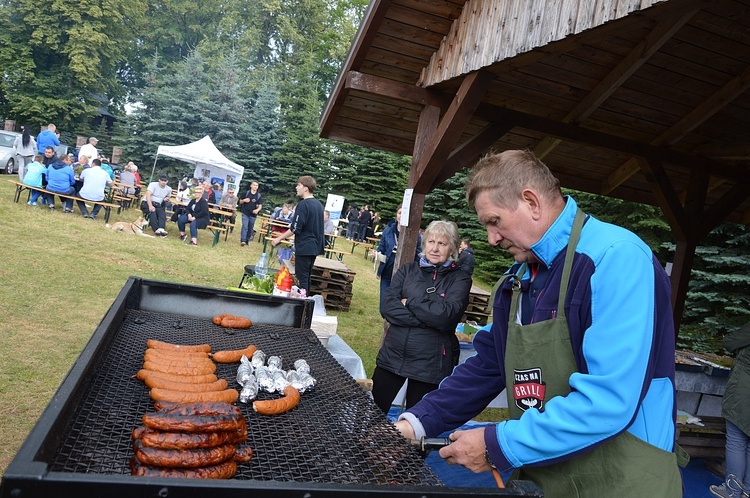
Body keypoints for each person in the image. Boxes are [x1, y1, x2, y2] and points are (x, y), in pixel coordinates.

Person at [392, 150, 683, 497]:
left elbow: (609, 401)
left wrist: (495, 442)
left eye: (494, 221)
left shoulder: (616, 259)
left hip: (622, 480)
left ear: (530, 201)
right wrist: (414, 423)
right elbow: (488, 365)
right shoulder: (518, 281)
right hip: (545, 473)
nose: (492, 238)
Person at [371, 220, 471, 415]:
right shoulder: (408, 270)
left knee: (417, 423)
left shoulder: (460, 279)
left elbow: (447, 317)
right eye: (431, 242)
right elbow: (387, 306)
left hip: (430, 364)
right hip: (393, 356)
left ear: (452, 248)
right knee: (371, 414)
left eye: (442, 243)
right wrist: (427, 320)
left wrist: (410, 303)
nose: (434, 248)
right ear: (424, 244)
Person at [710, 321, 750, 498]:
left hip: (744, 393)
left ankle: (732, 490)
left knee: (736, 441)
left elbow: (730, 342)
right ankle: (747, 491)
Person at [271, 176, 325, 295]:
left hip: (305, 246)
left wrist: (279, 238)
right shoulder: (319, 205)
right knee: (306, 276)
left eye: (299, 185)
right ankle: (306, 302)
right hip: (315, 246)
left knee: (302, 277)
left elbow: (295, 228)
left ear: (305, 188)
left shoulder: (303, 205)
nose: (296, 187)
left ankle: (303, 305)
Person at [375, 205, 422, 312]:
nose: (401, 216)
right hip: (387, 272)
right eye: (399, 213)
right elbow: (381, 249)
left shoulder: (415, 235)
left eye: (404, 213)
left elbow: (419, 255)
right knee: (384, 307)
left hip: (404, 276)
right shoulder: (388, 231)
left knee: (398, 306)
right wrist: (377, 255)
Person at [239, 180, 262, 246]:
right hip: (245, 213)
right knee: (245, 226)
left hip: (253, 215)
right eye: (254, 185)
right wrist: (244, 200)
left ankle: (247, 240)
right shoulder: (246, 193)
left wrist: (257, 210)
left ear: (257, 187)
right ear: (251, 186)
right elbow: (240, 201)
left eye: (256, 185)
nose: (255, 187)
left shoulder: (258, 196)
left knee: (250, 228)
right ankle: (243, 240)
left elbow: (260, 205)